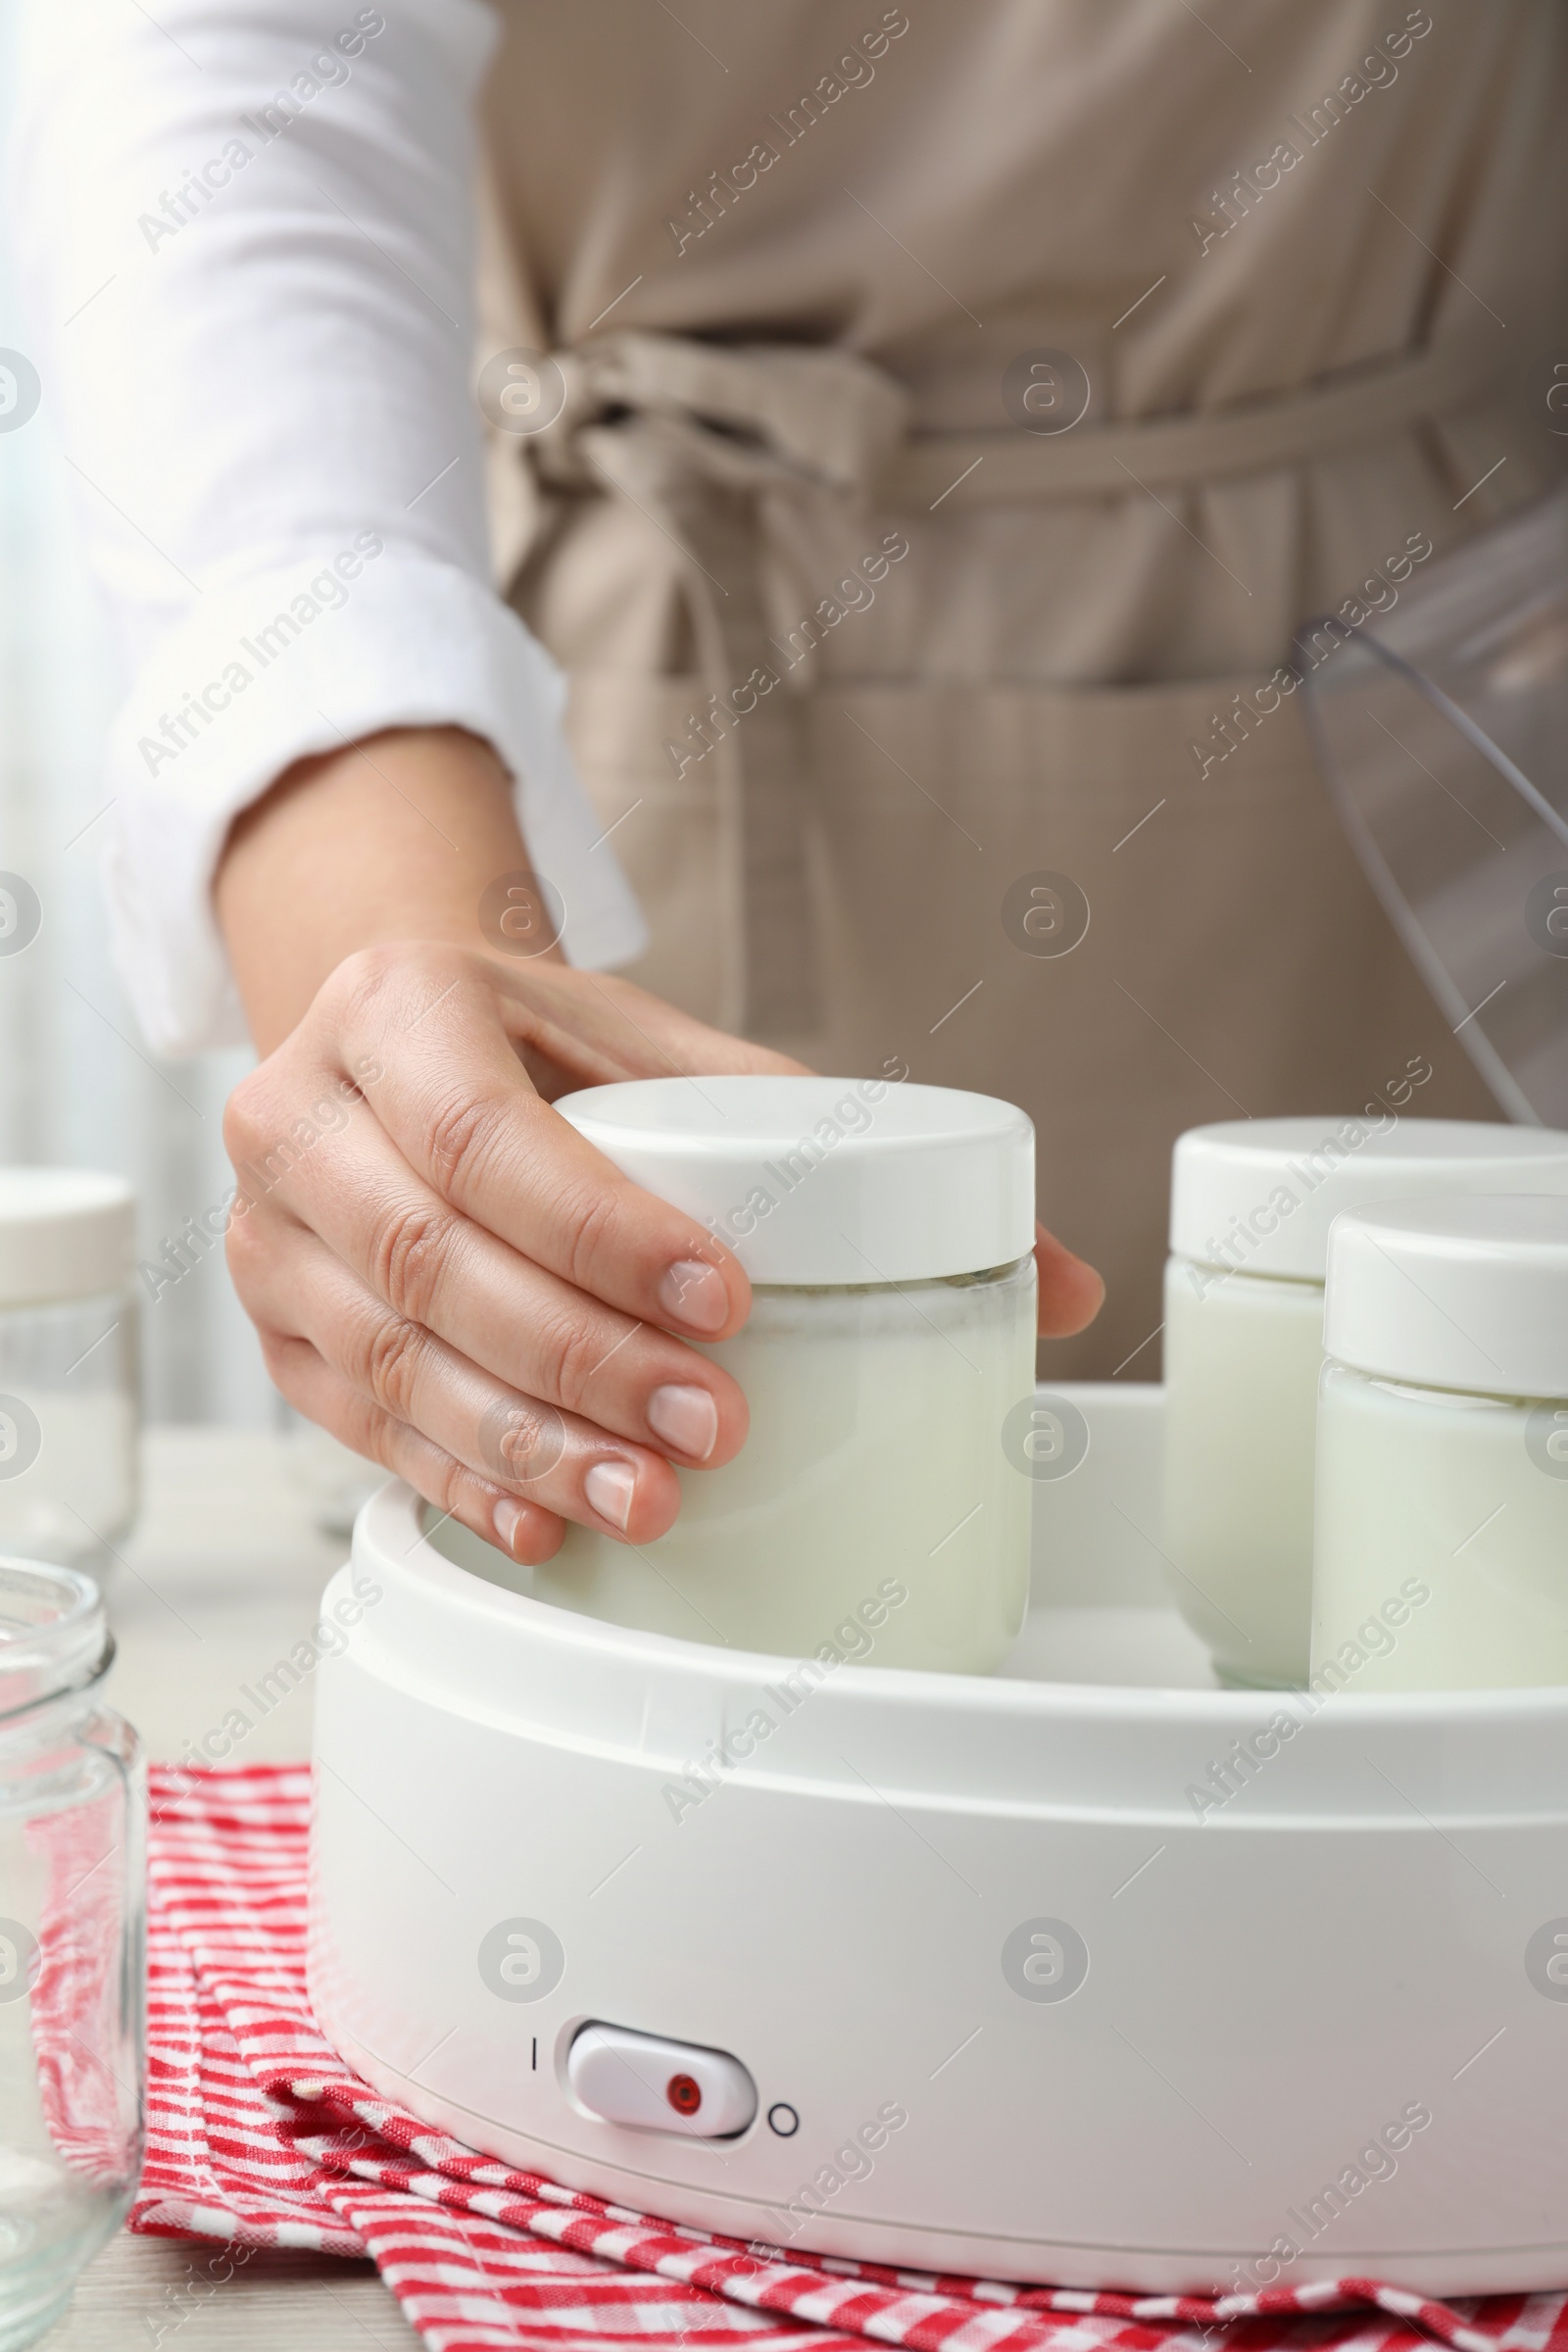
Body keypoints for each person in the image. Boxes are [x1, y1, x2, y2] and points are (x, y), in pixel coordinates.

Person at [15, 0, 1566, 1568]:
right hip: (638, 733)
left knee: (1436, 1574)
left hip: (1442, 697)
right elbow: (239, 69)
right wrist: (392, 939)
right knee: (687, 1603)